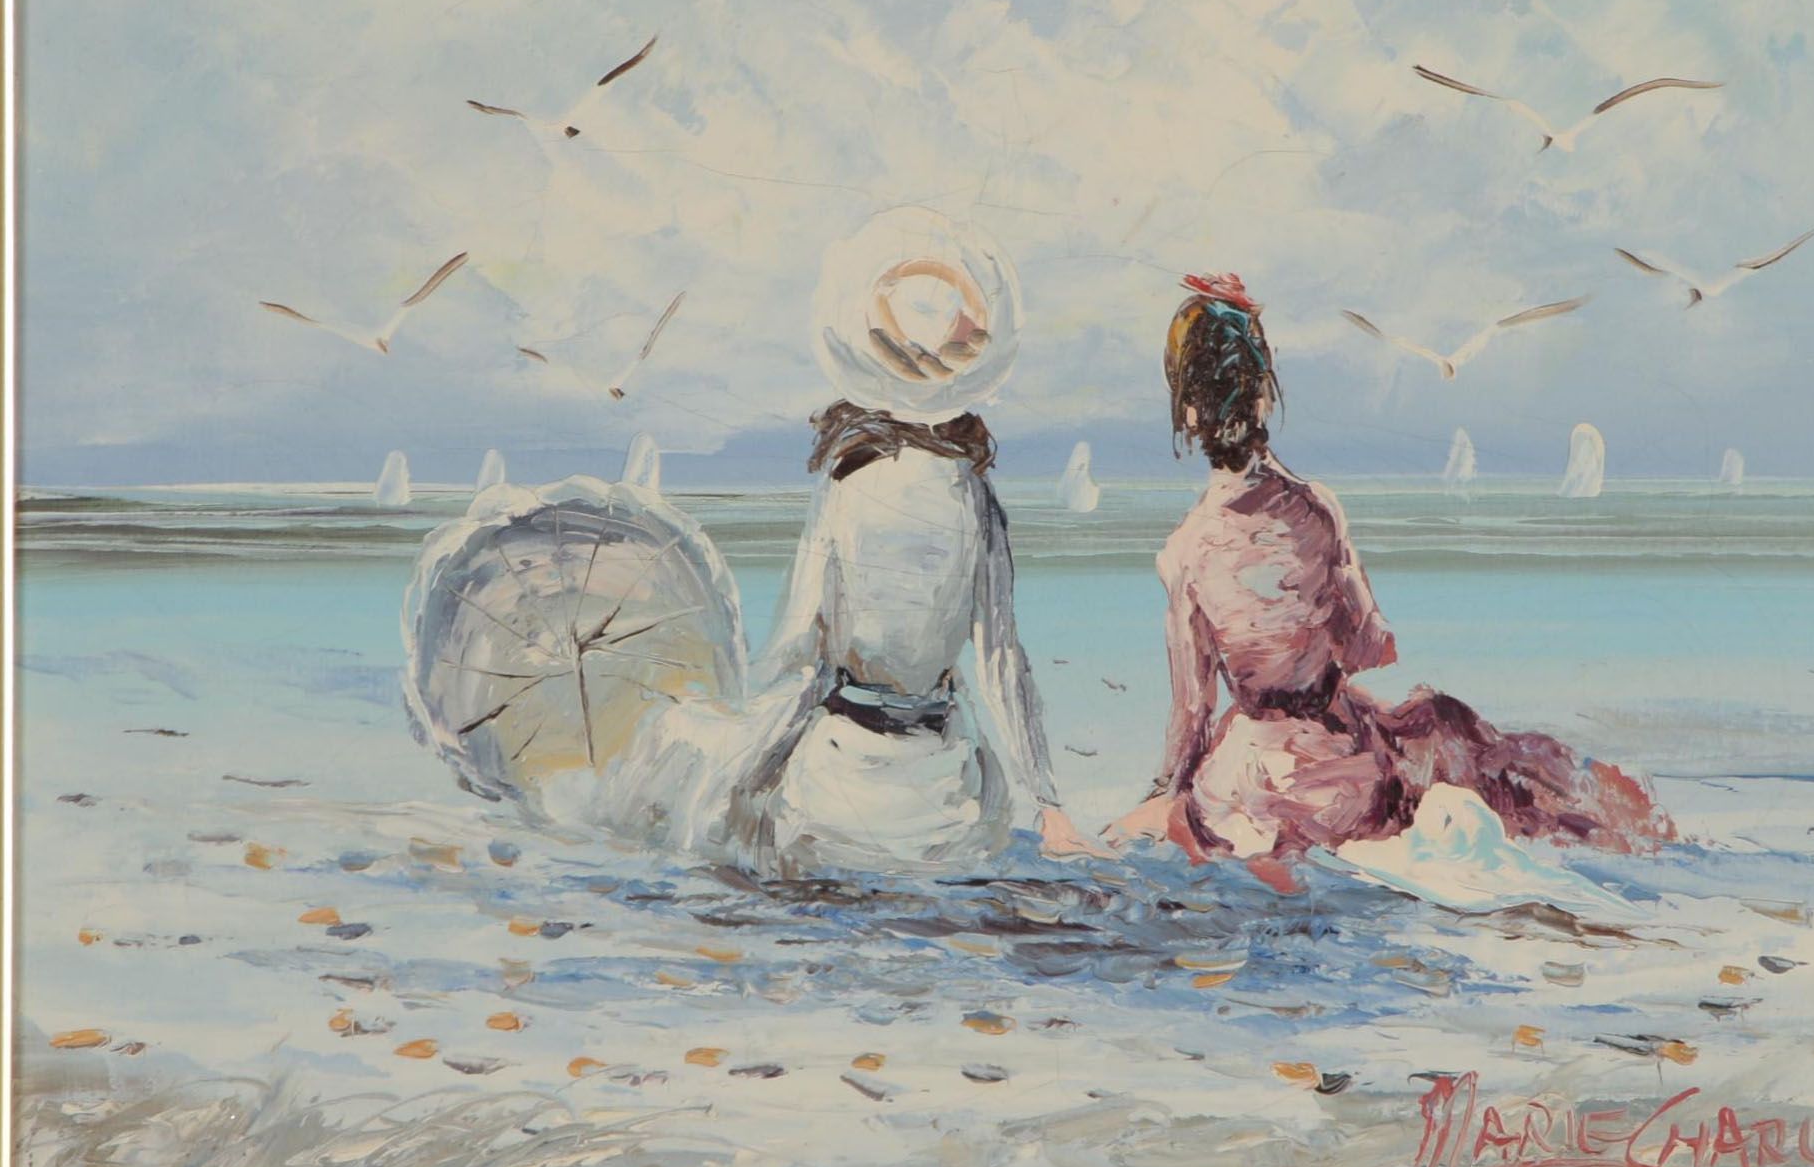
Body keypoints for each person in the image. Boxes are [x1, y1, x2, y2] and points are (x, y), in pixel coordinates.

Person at [1108, 273, 1670, 896]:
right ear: (1263, 397)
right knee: (1448, 730)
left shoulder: (1186, 550)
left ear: (1188, 412)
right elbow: (1368, 645)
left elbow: (1192, 712)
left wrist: (1164, 793)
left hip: (1243, 788)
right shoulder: (1316, 511)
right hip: (1343, 780)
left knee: (1162, 822)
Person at [601, 207, 1101, 877]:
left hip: (839, 800)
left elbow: (801, 654)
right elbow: (1002, 661)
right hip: (948, 810)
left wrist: (743, 752)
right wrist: (1049, 806)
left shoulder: (848, 486)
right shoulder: (973, 495)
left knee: (692, 752)